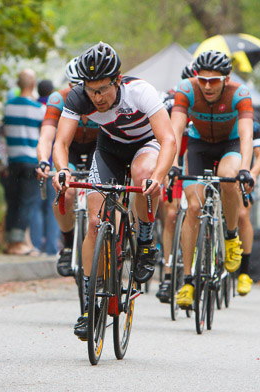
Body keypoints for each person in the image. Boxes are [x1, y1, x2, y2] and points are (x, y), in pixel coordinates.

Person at [51, 42, 176, 339]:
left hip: (146, 144)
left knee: (143, 175)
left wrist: (158, 177)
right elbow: (61, 143)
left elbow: (169, 140)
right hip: (109, 149)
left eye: (103, 90)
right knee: (95, 223)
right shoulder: (78, 97)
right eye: (91, 90)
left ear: (117, 80)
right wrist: (63, 169)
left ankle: (145, 239)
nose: (97, 98)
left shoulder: (140, 92)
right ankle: (89, 305)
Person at [168, 50, 255, 309]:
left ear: (226, 79)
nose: (207, 86)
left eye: (214, 81)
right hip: (199, 146)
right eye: (203, 80)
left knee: (228, 178)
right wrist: (173, 165)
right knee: (193, 207)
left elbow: (247, 135)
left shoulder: (240, 94)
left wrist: (245, 169)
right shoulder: (186, 89)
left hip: (230, 144)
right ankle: (187, 281)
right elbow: (175, 130)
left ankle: (231, 237)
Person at [36, 57, 99, 274]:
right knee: (65, 190)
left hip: (97, 147)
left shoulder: (101, 98)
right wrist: (43, 160)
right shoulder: (58, 99)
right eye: (74, 86)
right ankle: (68, 242)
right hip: (69, 148)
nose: (80, 92)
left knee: (102, 194)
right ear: (69, 84)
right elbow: (46, 136)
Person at [155, 62, 195, 302]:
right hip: (177, 158)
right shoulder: (170, 102)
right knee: (171, 214)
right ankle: (169, 274)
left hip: (198, 158)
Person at [2, 69, 46, 255]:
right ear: (33, 84)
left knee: (13, 202)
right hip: (31, 161)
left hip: (13, 161)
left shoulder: (8, 107)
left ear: (18, 85)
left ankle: (10, 243)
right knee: (27, 202)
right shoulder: (39, 109)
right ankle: (19, 243)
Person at [236, 118, 260, 295]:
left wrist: (253, 173)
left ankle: (244, 271)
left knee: (242, 214)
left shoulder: (253, 124)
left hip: (242, 175)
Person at [31, 78, 60, 255]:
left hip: (35, 163)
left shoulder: (33, 108)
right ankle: (51, 248)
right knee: (52, 205)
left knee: (35, 205)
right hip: (53, 164)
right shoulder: (55, 110)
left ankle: (36, 246)